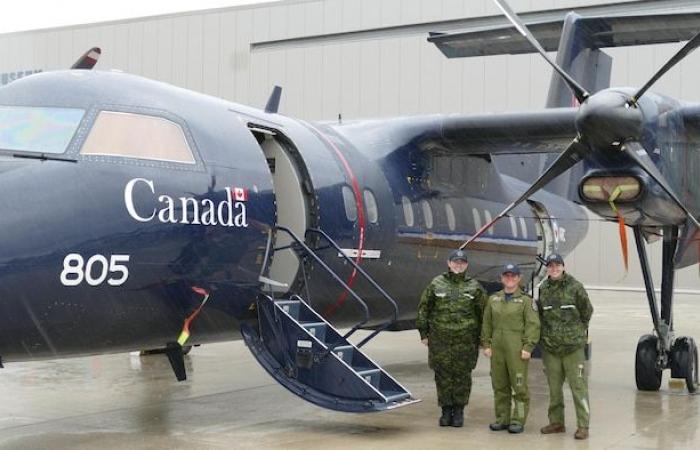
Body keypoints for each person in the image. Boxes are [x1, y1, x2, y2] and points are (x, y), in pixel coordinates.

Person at [416, 249, 487, 427]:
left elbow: (484, 315)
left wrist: (482, 339)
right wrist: (423, 334)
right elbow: (424, 309)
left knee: (462, 377)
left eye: (462, 263)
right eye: (455, 262)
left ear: (467, 265)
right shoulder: (436, 284)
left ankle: (459, 411)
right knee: (443, 376)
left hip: (466, 342)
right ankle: (445, 411)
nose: (458, 265)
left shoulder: (474, 287)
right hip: (440, 341)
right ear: (448, 263)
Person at [538, 253, 594, 440]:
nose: (554, 268)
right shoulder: (543, 288)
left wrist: (578, 331)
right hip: (551, 348)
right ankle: (557, 422)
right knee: (554, 389)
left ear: (563, 266)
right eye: (550, 266)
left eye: (557, 265)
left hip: (572, 348)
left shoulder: (575, 287)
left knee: (578, 388)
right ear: (547, 268)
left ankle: (583, 425)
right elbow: (542, 315)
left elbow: (587, 310)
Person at [482, 263, 540, 434]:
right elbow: (486, 323)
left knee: (519, 388)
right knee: (500, 386)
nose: (510, 279)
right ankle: (502, 418)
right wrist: (486, 344)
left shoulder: (525, 301)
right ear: (502, 278)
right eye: (506, 276)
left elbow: (533, 325)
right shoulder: (493, 299)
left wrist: (528, 347)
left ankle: (518, 419)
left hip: (517, 351)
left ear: (519, 278)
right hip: (497, 351)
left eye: (513, 276)